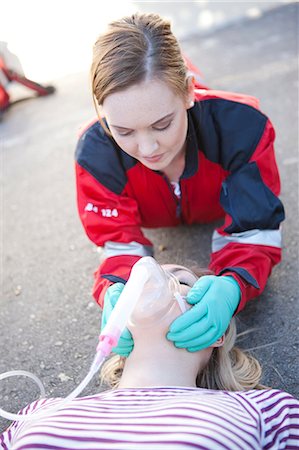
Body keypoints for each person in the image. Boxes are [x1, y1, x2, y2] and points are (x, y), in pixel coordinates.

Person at [75, 13, 285, 356]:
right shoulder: (94, 153)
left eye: (162, 124)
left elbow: (256, 230)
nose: (147, 149)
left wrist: (232, 285)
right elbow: (117, 243)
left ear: (188, 93)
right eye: (124, 131)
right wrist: (115, 290)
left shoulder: (243, 129)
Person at [1, 264, 298, 449]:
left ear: (216, 333)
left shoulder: (265, 410)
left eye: (179, 280)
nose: (149, 277)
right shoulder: (39, 410)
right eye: (133, 283)